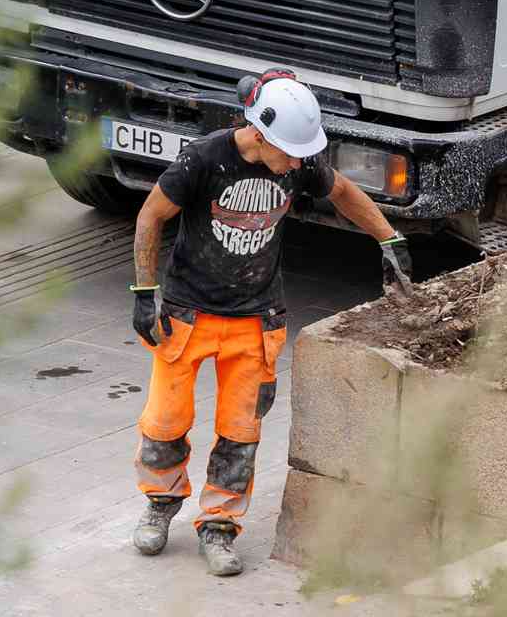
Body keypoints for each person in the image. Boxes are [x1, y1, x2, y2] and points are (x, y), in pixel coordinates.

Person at [126, 68, 411, 576]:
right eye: (290, 152)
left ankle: (218, 528)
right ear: (259, 135)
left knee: (240, 434)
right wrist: (145, 293)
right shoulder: (205, 158)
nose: (298, 162)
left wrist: (388, 239)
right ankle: (160, 505)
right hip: (187, 315)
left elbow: (343, 192)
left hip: (256, 321)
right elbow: (151, 216)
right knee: (164, 424)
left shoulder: (297, 163)